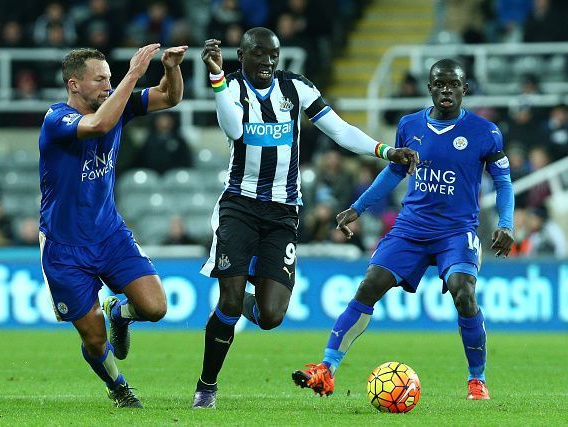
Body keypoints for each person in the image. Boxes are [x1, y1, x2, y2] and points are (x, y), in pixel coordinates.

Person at [193, 27, 419, 409]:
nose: (266, 61)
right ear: (242, 55)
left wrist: (384, 150)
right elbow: (234, 130)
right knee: (229, 303)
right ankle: (207, 386)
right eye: (259, 54)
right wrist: (215, 77)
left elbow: (339, 130)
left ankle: (242, 298)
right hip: (239, 205)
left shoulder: (296, 88)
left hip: (283, 213)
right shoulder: (229, 86)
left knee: (271, 316)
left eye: (273, 55)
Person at [292, 59, 515, 401]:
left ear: (464, 89)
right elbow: (393, 173)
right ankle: (326, 368)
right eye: (439, 84)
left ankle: (477, 379)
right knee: (369, 286)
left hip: (456, 232)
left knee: (463, 292)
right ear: (430, 88)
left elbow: (503, 182)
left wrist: (505, 223)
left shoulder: (486, 132)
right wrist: (357, 208)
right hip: (411, 228)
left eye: (453, 84)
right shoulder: (410, 124)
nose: (446, 90)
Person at [38, 43, 187, 408]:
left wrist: (170, 68)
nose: (109, 84)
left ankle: (118, 313)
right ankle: (119, 387)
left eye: (110, 77)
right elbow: (99, 124)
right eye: (100, 79)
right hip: (64, 246)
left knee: (155, 308)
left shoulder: (115, 103)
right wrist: (133, 72)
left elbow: (171, 97)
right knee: (93, 339)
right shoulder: (57, 120)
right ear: (74, 84)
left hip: (109, 234)